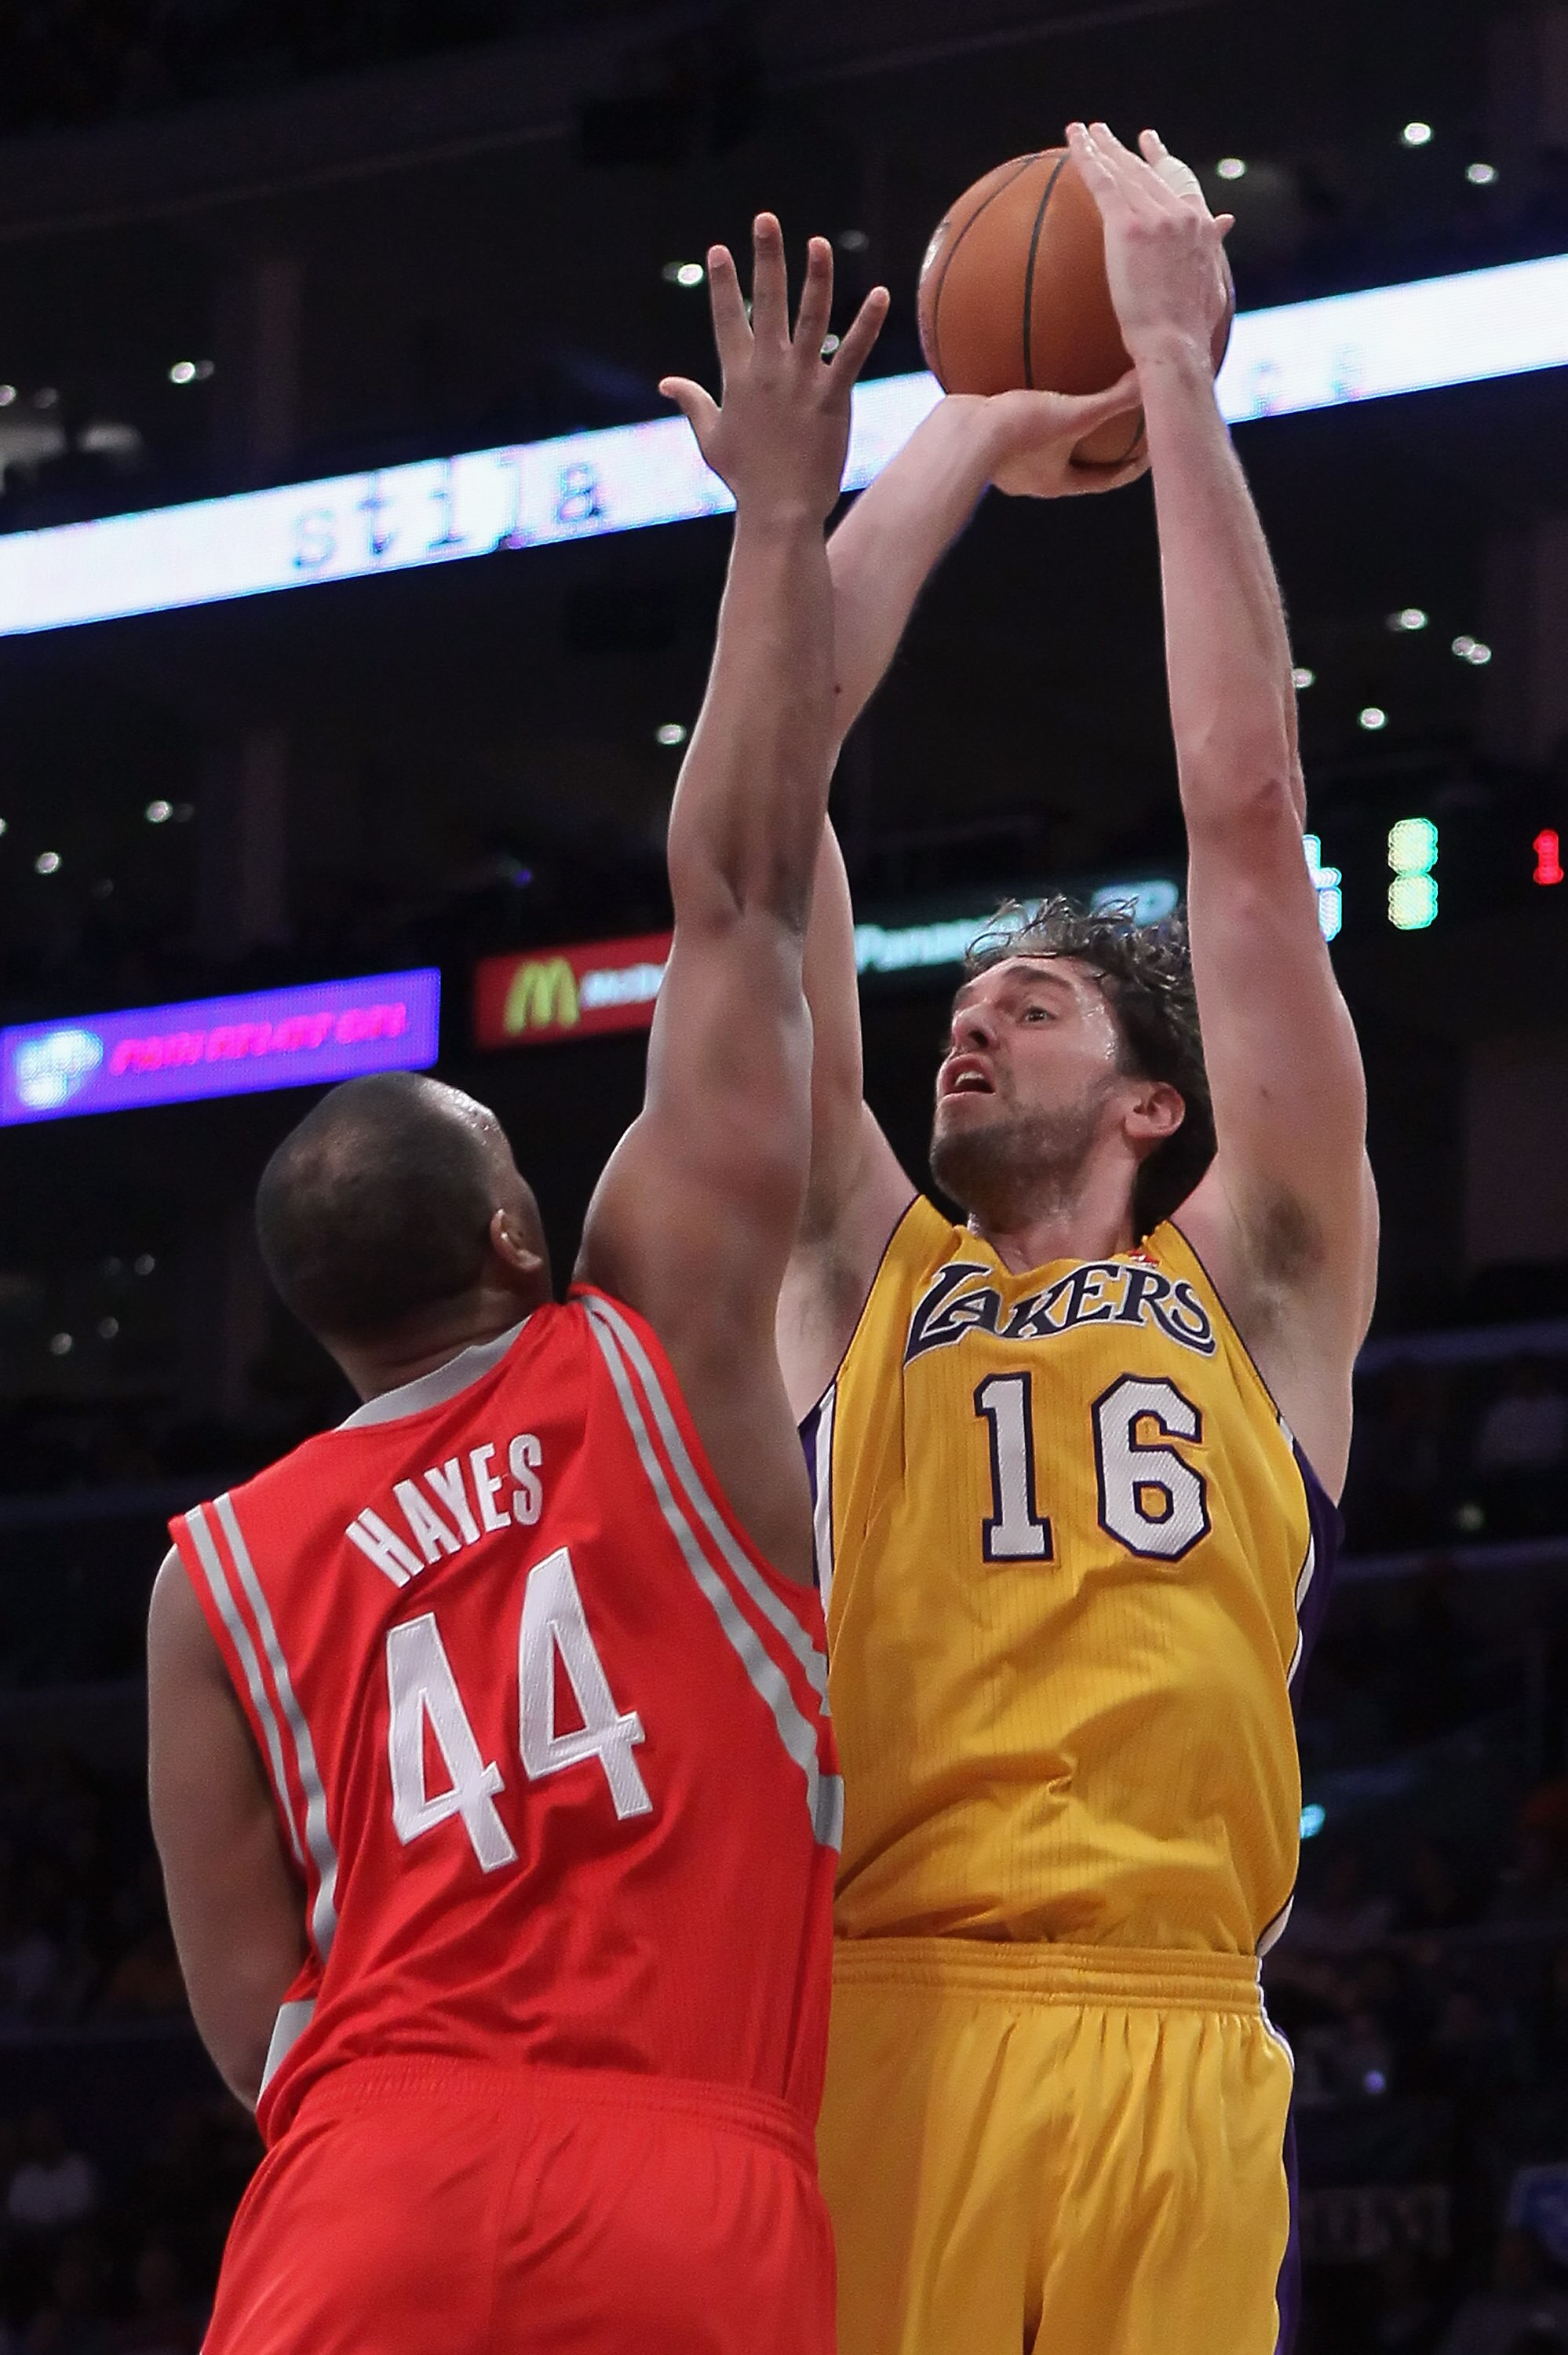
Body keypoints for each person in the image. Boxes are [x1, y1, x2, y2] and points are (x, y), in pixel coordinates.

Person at [147, 216, 888, 2355]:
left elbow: (245, 2009)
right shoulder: (649, 1343)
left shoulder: (217, 1571)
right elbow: (742, 889)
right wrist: (776, 517)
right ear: (511, 1238)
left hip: (364, 2181)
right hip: (683, 2169)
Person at [778, 123, 1380, 2355]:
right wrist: (945, 443)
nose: (972, 1025)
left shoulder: (1265, 1273)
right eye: (959, 1007)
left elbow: (1246, 815)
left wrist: (1174, 373)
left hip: (1175, 2020)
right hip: (891, 2009)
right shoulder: (861, 1273)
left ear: (1155, 1100)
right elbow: (760, 835)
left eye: (1031, 1005)